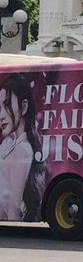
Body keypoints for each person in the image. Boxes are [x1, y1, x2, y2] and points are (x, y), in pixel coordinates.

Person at [0, 73, 46, 223]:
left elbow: (13, 208)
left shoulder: (21, 150)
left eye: (7, 105)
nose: (1, 115)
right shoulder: (11, 144)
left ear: (24, 106)